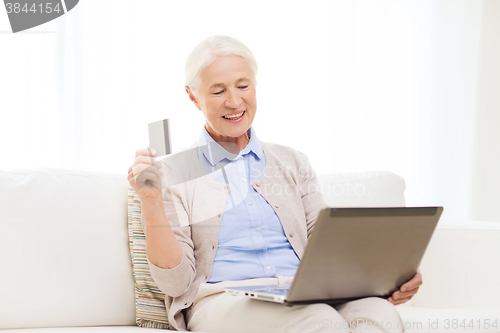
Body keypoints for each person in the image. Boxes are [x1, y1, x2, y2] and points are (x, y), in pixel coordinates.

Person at [127, 35, 422, 333]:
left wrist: (388, 275)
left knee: (378, 312)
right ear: (194, 98)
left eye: (243, 86)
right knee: (319, 320)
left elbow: (325, 244)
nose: (234, 101)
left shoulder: (293, 162)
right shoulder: (174, 172)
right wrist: (152, 204)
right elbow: (175, 283)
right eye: (218, 91)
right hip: (224, 301)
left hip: (304, 294)